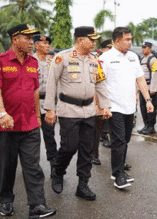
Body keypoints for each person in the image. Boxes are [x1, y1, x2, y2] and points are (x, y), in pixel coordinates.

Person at [44, 26, 111, 201]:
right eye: (92, 39)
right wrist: (50, 109)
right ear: (80, 40)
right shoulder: (62, 58)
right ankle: (58, 171)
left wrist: (105, 106)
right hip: (68, 110)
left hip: (89, 111)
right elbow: (51, 83)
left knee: (87, 150)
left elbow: (101, 84)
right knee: (69, 146)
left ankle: (83, 185)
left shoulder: (94, 60)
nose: (94, 42)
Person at [0, 24, 56, 218]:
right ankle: (5, 200)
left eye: (33, 38)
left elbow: (34, 90)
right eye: (28, 38)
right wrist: (2, 113)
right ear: (15, 40)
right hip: (7, 124)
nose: (33, 42)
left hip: (30, 123)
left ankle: (37, 205)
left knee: (33, 166)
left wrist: (38, 116)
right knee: (7, 166)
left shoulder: (33, 62)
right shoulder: (2, 61)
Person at [99, 27, 154, 189]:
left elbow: (141, 80)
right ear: (117, 41)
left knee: (126, 140)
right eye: (127, 39)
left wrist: (148, 100)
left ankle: (120, 168)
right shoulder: (105, 58)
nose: (130, 42)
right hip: (113, 106)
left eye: (131, 39)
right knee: (119, 140)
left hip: (130, 106)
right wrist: (102, 106)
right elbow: (99, 83)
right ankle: (117, 175)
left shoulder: (133, 57)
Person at [33, 34, 58, 174]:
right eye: (44, 44)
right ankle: (31, 167)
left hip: (48, 104)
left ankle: (54, 166)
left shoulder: (52, 62)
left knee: (50, 136)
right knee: (32, 138)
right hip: (32, 105)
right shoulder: (31, 61)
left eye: (48, 44)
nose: (47, 46)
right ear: (36, 45)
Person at [137, 41, 157, 135]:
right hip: (143, 88)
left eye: (145, 47)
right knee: (143, 107)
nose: (143, 49)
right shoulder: (142, 59)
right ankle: (146, 125)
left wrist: (153, 89)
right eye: (142, 47)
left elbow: (155, 74)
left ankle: (151, 127)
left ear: (149, 48)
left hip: (150, 87)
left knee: (150, 108)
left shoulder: (153, 59)